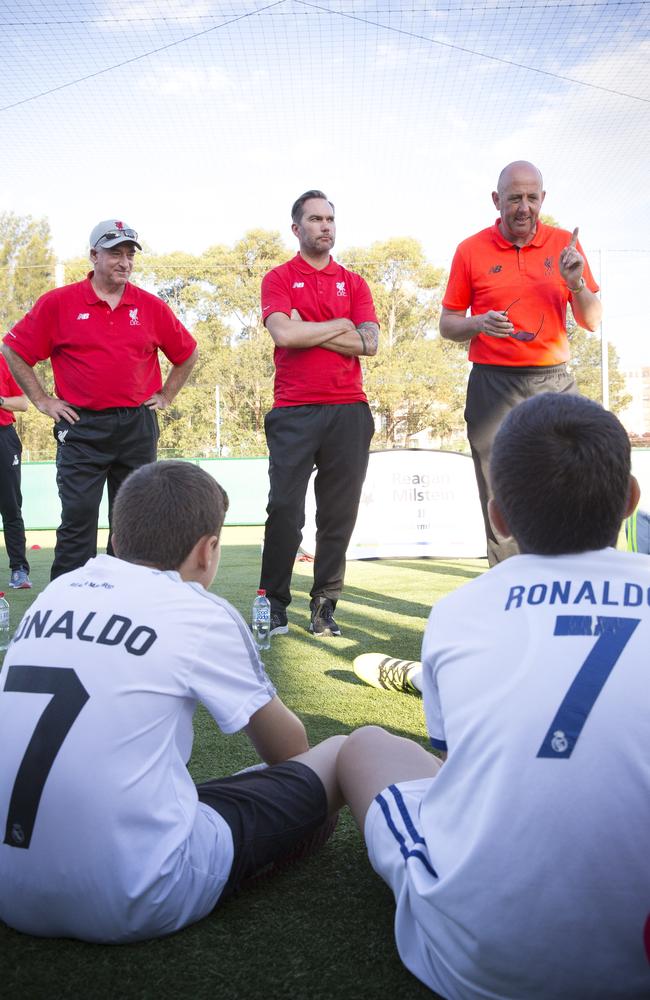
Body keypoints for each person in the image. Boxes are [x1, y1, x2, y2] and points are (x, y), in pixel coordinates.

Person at [337, 393, 650, 999]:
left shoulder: (458, 613)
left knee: (365, 745)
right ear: (632, 500)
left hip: (482, 964)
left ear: (498, 516)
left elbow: (453, 770)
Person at [0, 460, 344, 943]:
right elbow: (289, 753)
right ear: (207, 552)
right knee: (336, 760)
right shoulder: (198, 610)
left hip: (9, 893)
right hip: (135, 894)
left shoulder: (55, 591)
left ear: (116, 541)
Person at [1, 219, 198, 580]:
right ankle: (67, 608)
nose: (124, 262)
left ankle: (126, 605)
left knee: (132, 525)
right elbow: (13, 349)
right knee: (77, 521)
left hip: (136, 425)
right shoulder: (58, 304)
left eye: (129, 255)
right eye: (114, 254)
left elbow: (187, 353)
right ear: (93, 255)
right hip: (81, 427)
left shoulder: (150, 306)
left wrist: (166, 395)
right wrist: (43, 400)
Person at [439, 161, 602, 565]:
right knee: (500, 493)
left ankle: (571, 580)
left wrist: (575, 283)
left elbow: (593, 321)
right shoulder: (469, 250)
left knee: (571, 482)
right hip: (493, 385)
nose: (524, 207)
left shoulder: (566, 244)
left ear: (542, 199)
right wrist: (477, 323)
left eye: (532, 197)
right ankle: (507, 589)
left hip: (555, 383)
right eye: (514, 198)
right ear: (497, 201)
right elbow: (448, 325)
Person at [259, 190, 379, 637]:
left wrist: (305, 329)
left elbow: (369, 344)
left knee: (337, 515)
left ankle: (324, 608)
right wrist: (338, 326)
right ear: (297, 228)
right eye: (315, 219)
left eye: (330, 218)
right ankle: (272, 606)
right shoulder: (277, 278)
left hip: (349, 411)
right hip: (293, 411)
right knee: (285, 511)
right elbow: (283, 335)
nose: (325, 226)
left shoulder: (356, 283)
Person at [0, 354, 32, 589]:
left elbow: (23, 403)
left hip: (4, 437)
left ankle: (19, 570)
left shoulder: (3, 361)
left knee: (11, 506)